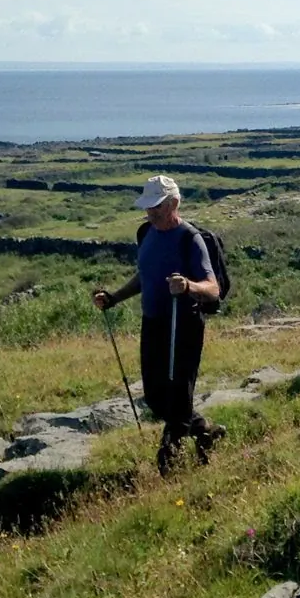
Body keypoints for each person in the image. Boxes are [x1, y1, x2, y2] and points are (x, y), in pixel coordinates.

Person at [92, 175, 226, 477]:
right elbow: (145, 276)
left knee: (178, 396)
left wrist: (188, 286)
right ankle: (205, 430)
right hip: (153, 323)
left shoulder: (189, 239)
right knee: (155, 396)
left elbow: (213, 289)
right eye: (148, 207)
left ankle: (169, 465)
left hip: (184, 325)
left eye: (156, 207)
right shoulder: (146, 233)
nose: (150, 213)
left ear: (173, 204)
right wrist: (114, 298)